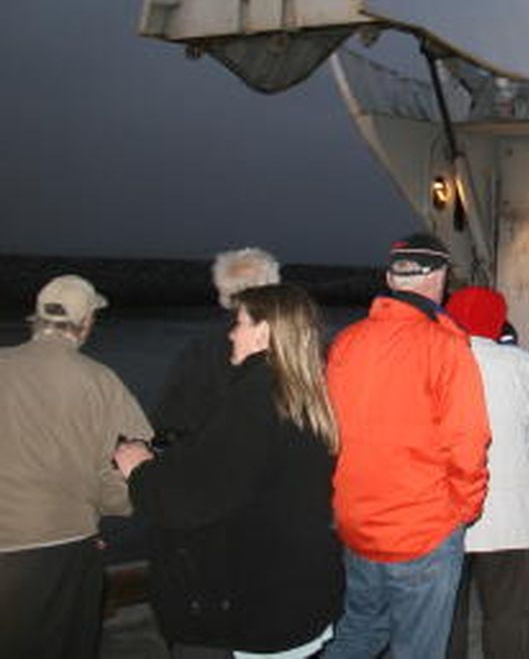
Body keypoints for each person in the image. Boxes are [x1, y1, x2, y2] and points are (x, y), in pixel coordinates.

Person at [116, 284, 343, 658]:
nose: (231, 334)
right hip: (302, 595)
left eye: (239, 323)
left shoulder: (255, 400)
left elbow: (190, 501)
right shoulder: (308, 397)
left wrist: (138, 468)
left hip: (260, 605)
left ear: (264, 331)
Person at [325, 234, 491, 659]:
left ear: (390, 278)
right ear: (438, 277)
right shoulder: (446, 346)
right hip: (422, 529)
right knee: (417, 649)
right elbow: (468, 440)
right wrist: (462, 510)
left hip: (358, 525)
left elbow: (329, 433)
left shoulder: (347, 342)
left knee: (358, 632)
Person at [0, 275, 153, 659]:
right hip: (59, 551)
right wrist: (109, 510)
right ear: (85, 324)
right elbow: (128, 472)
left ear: (36, 319)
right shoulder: (100, 382)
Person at [444, 285, 529, 659]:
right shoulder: (522, 364)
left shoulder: (436, 359)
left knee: (445, 618)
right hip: (508, 509)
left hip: (446, 510)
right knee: (509, 614)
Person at [151, 246, 281, 446]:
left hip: (204, 456)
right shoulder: (292, 343)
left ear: (223, 290)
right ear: (273, 286)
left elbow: (169, 418)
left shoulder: (200, 349)